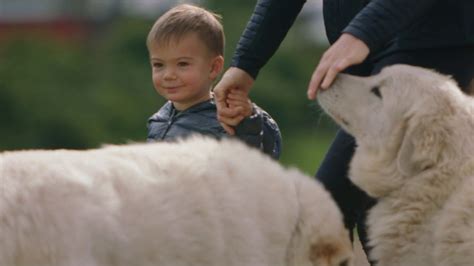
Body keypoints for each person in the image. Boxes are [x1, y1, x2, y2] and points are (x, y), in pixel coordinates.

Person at [214, 0, 474, 263]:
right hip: (363, 50)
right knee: (367, 217)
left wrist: (360, 33)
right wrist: (246, 63)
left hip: (427, 42)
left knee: (324, 215)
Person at [146, 4, 281, 159]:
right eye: (158, 65)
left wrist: (249, 122)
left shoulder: (227, 119)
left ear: (213, 67)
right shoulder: (158, 120)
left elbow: (264, 157)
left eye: (182, 64)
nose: (168, 75)